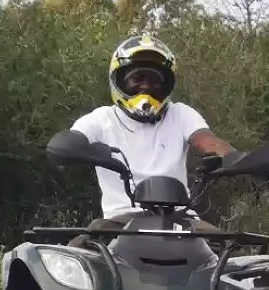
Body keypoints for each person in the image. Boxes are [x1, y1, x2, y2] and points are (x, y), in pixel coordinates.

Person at [69, 34, 237, 235]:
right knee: (74, 258)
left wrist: (236, 158)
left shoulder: (180, 113)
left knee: (225, 256)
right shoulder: (101, 119)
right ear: (119, 81)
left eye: (154, 80)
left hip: (182, 219)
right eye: (137, 78)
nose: (146, 86)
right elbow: (71, 140)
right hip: (120, 222)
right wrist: (70, 146)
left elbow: (207, 141)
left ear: (166, 86)